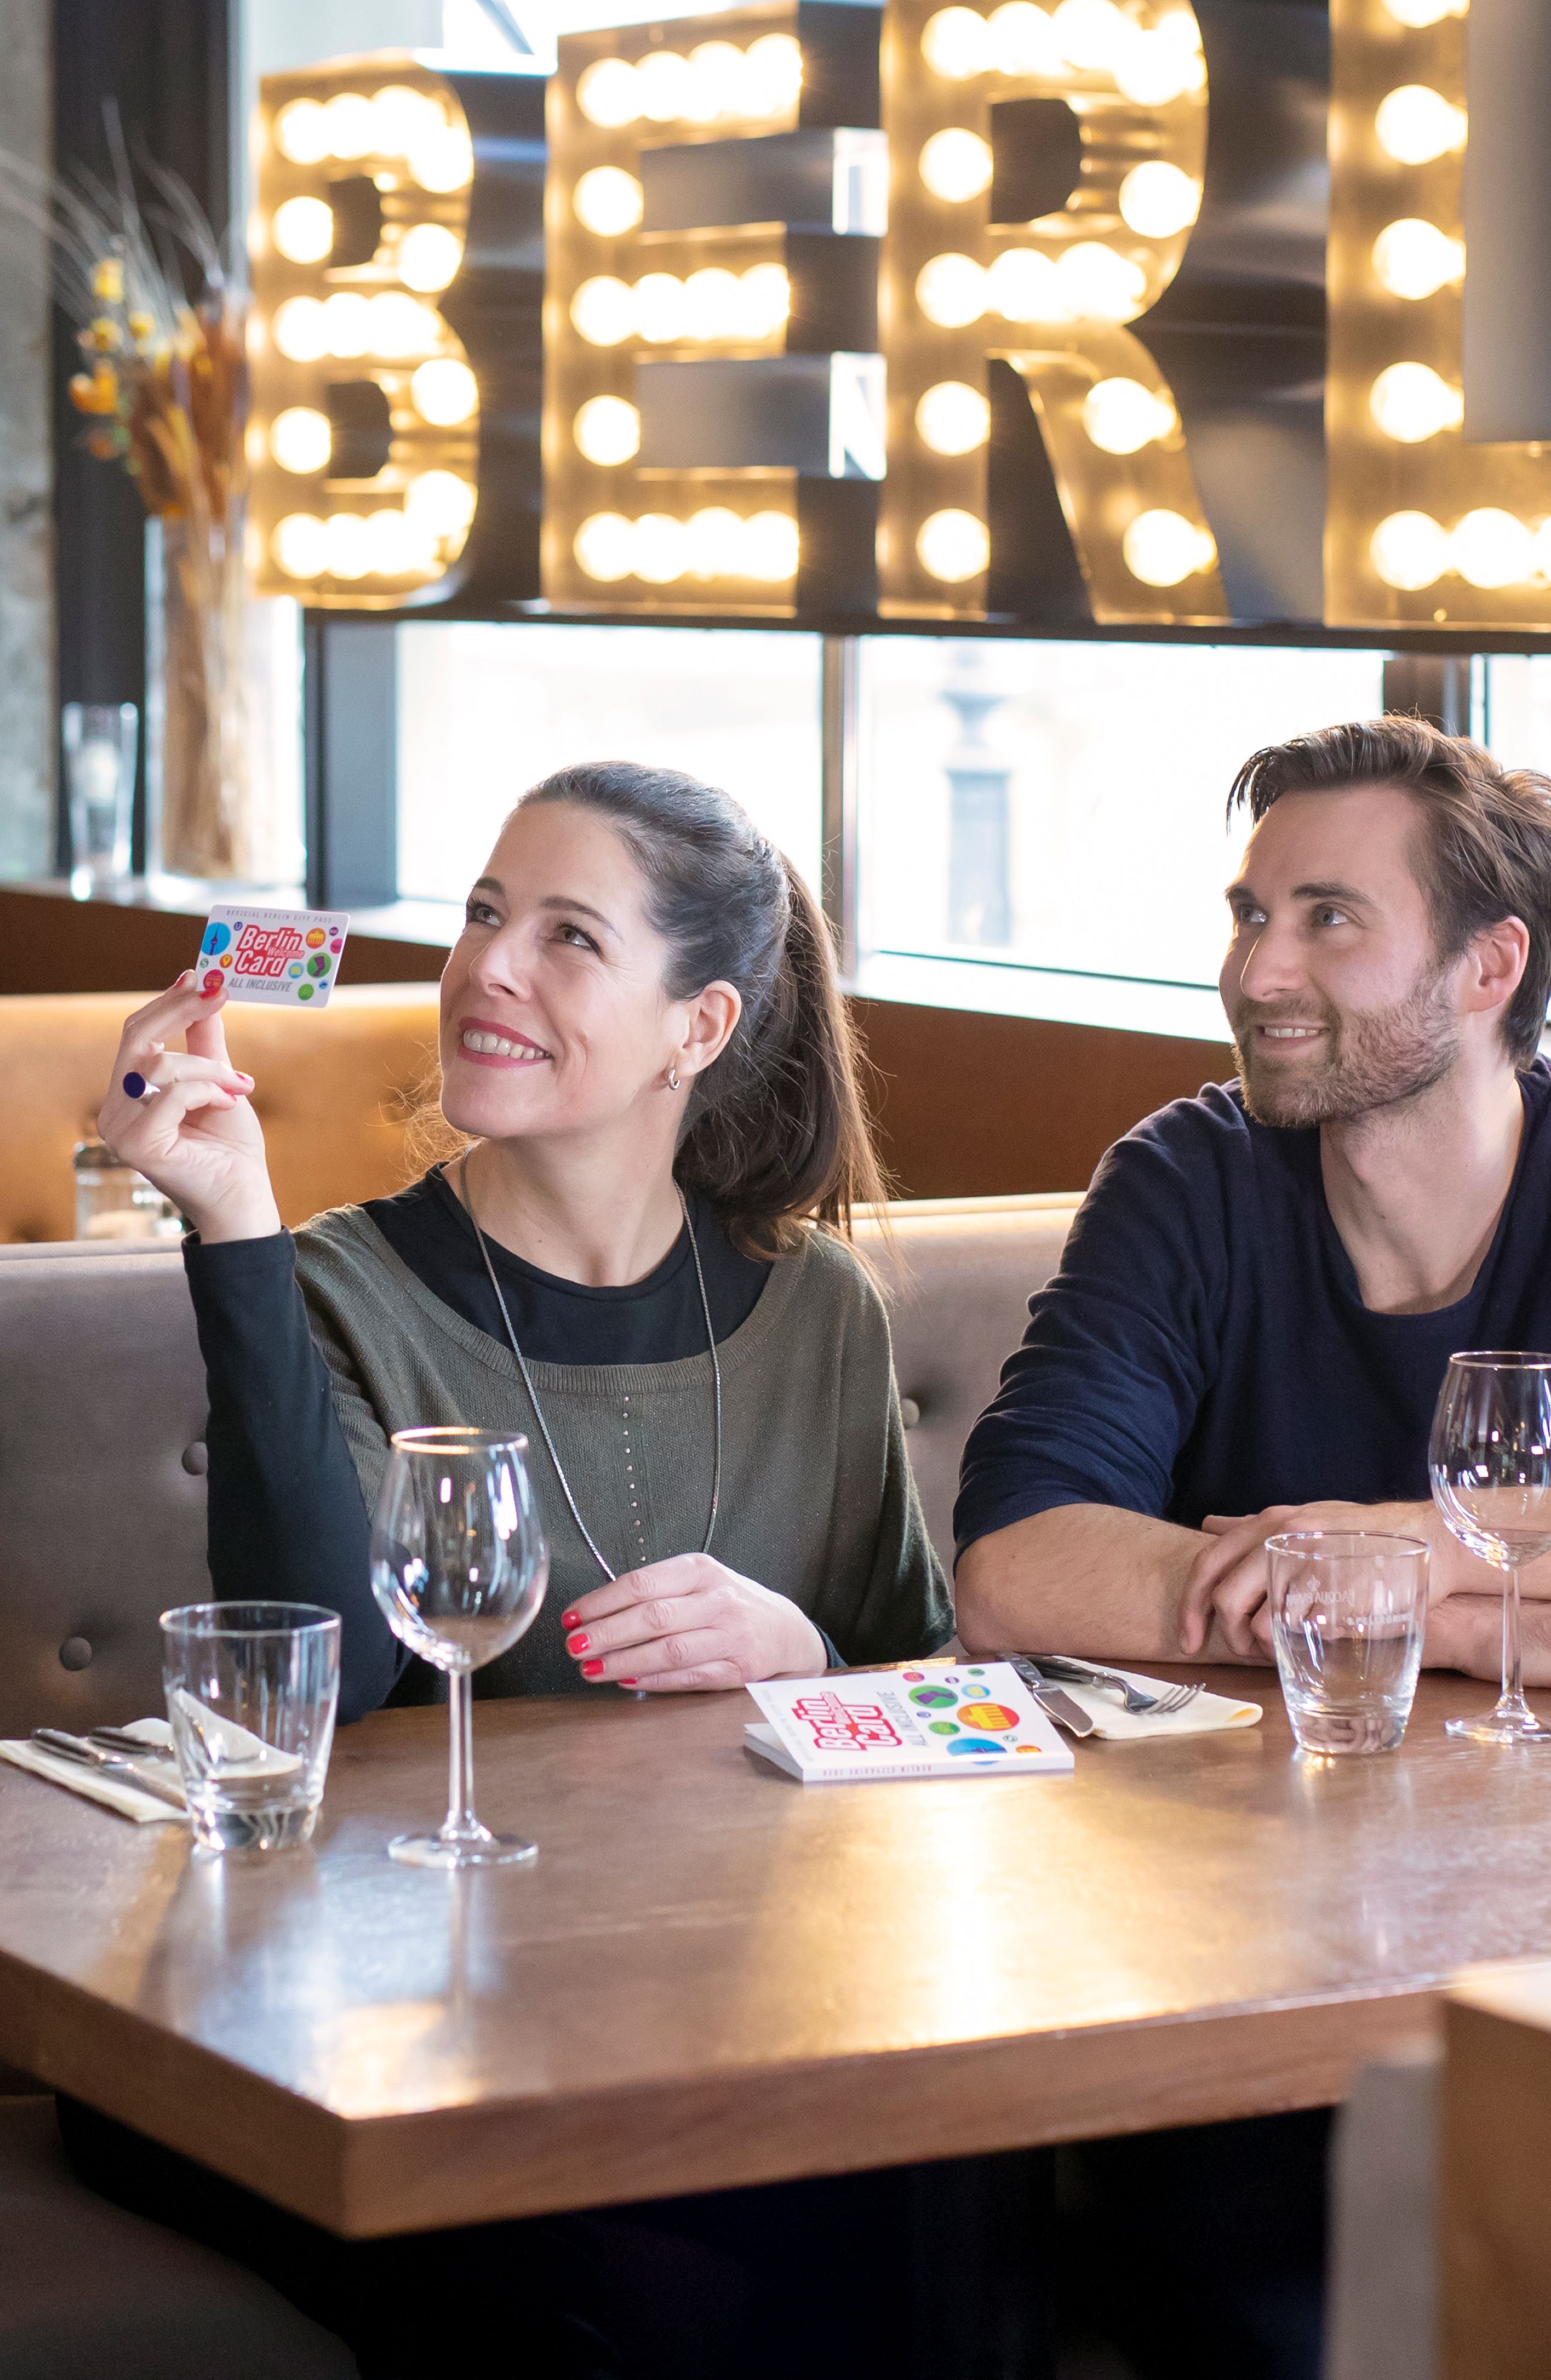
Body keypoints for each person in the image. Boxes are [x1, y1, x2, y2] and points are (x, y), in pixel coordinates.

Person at [948, 713, 1551, 2380]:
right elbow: (1015, 1570)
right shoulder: (1188, 1181)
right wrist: (1469, 1619)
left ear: (1488, 967)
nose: (1257, 969)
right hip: (1247, 1951)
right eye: (1250, 914)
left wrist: (1428, 1537)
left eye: (1326, 918)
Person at [72, 759, 967, 2377]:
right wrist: (229, 1224)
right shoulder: (336, 1283)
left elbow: (942, 1701)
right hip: (385, 2034)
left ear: (697, 1028)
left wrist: (804, 1656)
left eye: (568, 936)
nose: (487, 966)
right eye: (484, 914)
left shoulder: (814, 1307)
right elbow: (321, 1690)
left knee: (934, 2212)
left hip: (723, 2020)